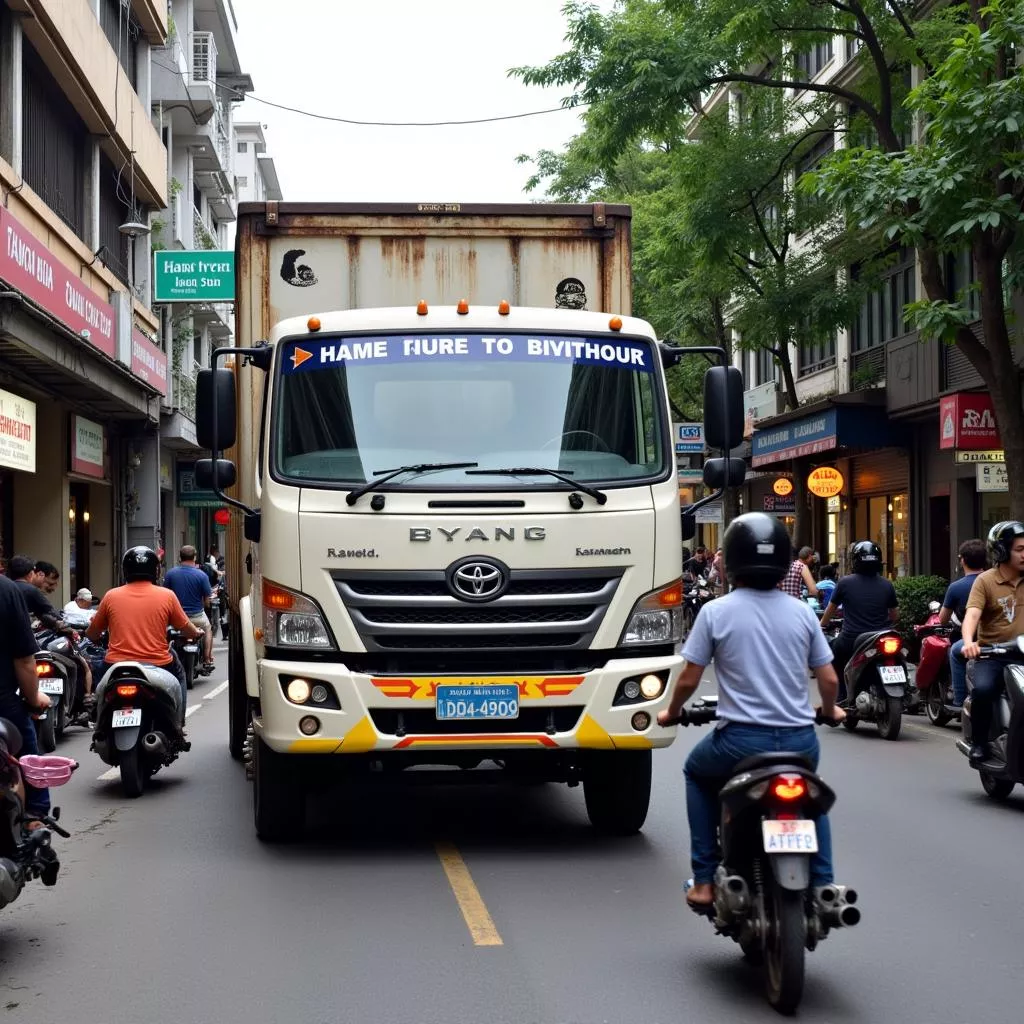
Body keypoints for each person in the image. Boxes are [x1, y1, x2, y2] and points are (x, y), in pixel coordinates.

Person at [657, 512, 845, 908]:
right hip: (799, 740)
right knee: (812, 794)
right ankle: (825, 887)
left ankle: (705, 880)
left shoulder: (715, 612)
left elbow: (689, 679)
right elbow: (828, 680)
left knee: (696, 772)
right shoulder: (801, 613)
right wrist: (831, 711)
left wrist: (671, 711)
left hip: (739, 742)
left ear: (733, 561)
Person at [86, 547, 202, 722]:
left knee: (99, 686)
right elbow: (186, 627)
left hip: (115, 665)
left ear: (125, 570)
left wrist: (94, 634)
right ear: (156, 570)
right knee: (180, 677)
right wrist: (197, 632)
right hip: (159, 664)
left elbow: (93, 633)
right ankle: (179, 723)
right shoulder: (167, 596)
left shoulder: (111, 596)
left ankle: (98, 718)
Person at [960, 521, 1024, 762]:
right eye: (1019, 549)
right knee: (984, 691)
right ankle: (979, 743)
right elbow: (972, 615)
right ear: (1002, 550)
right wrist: (969, 642)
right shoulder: (985, 581)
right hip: (993, 655)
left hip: (1022, 654)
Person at [0, 570, 52, 827]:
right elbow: (24, 660)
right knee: (28, 755)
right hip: (3, 702)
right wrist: (33, 698)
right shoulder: (8, 591)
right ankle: (35, 817)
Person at [819, 541, 899, 701]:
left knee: (831, 655)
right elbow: (895, 616)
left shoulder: (844, 583)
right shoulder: (887, 584)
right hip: (881, 638)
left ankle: (840, 695)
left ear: (854, 561)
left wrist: (822, 625)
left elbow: (830, 610)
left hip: (852, 639)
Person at [941, 539, 988, 707]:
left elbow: (942, 619)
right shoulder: (992, 581)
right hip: (998, 640)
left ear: (962, 560)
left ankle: (959, 699)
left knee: (954, 652)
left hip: (979, 640)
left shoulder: (956, 587)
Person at [163, 545, 215, 672]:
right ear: (195, 557)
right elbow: (207, 601)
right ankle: (207, 659)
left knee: (166, 633)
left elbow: (164, 596)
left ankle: (163, 655)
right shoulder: (202, 575)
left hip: (176, 618)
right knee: (208, 628)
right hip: (197, 617)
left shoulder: (170, 574)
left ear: (180, 558)